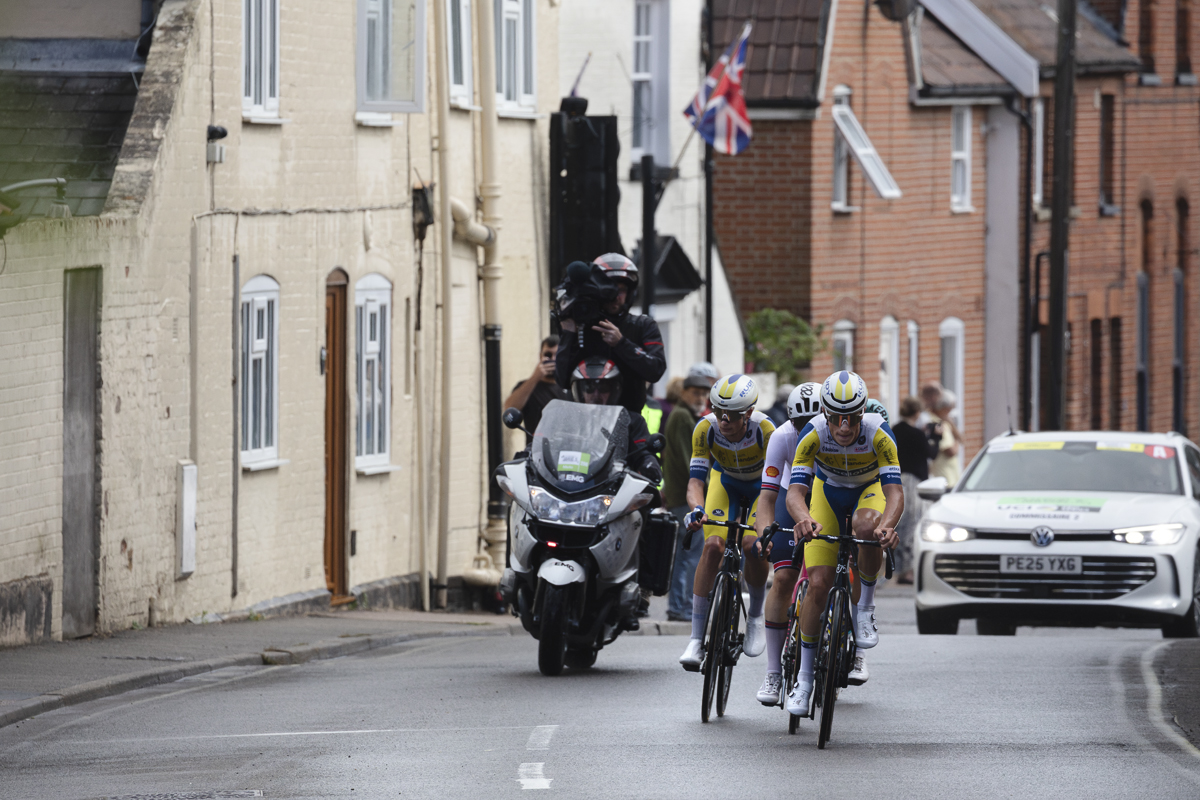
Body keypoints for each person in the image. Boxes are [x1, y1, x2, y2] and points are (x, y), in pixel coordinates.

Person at [783, 371, 903, 715]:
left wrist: (888, 526)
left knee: (868, 525)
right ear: (825, 412)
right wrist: (803, 518)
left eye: (852, 417)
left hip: (869, 490)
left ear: (863, 411)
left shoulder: (879, 432)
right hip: (828, 491)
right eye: (836, 417)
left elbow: (895, 493)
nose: (845, 427)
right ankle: (804, 680)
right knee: (818, 583)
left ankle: (864, 608)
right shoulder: (813, 433)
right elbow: (795, 492)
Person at [678, 375, 776, 670]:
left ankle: (756, 616)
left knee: (751, 544)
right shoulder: (705, 429)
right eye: (718, 410)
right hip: (726, 482)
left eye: (732, 415)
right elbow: (695, 482)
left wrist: (767, 529)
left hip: (761, 486)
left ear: (748, 413)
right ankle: (696, 638)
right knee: (712, 547)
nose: (724, 420)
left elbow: (776, 483)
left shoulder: (765, 430)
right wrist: (696, 509)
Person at [751, 381, 836, 705]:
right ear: (791, 422)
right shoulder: (783, 437)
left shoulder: (834, 432)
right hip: (793, 494)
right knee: (784, 576)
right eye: (799, 424)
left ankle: (845, 635)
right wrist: (764, 535)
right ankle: (773, 672)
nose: (806, 430)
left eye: (813, 421)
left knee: (828, 575)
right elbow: (768, 497)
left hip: (828, 492)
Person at [556, 254, 666, 415]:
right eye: (609, 289)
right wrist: (569, 333)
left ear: (630, 293)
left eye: (621, 290)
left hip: (629, 420)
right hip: (583, 421)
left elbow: (656, 369)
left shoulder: (643, 325)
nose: (615, 296)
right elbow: (563, 379)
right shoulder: (582, 325)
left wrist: (621, 343)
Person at [662, 367, 717, 621]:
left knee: (684, 553)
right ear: (683, 393)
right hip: (686, 497)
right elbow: (689, 462)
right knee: (689, 553)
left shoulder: (680, 415)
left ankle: (678, 605)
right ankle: (681, 607)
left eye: (704, 394)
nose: (700, 398)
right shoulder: (683, 417)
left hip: (678, 495)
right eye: (695, 393)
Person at [569, 357, 662, 485]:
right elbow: (549, 447)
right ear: (579, 390)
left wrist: (649, 466)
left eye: (603, 388)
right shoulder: (568, 420)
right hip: (569, 486)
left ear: (614, 390)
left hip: (614, 489)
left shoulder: (631, 420)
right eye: (589, 387)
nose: (596, 395)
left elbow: (644, 452)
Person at [892, 396, 939, 584]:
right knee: (912, 523)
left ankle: (898, 567)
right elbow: (931, 453)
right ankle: (907, 570)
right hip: (912, 481)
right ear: (917, 413)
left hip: (895, 479)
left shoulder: (894, 429)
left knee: (899, 523)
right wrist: (935, 438)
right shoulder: (916, 434)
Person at [503, 335, 571, 443]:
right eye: (548, 355)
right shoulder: (527, 386)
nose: (553, 359)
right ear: (540, 356)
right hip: (537, 451)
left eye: (557, 355)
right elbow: (509, 408)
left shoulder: (571, 386)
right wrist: (535, 377)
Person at [929, 390, 961, 487]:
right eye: (948, 409)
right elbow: (951, 451)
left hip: (952, 476)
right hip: (944, 477)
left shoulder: (945, 422)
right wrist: (956, 441)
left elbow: (961, 438)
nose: (949, 412)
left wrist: (950, 422)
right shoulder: (936, 423)